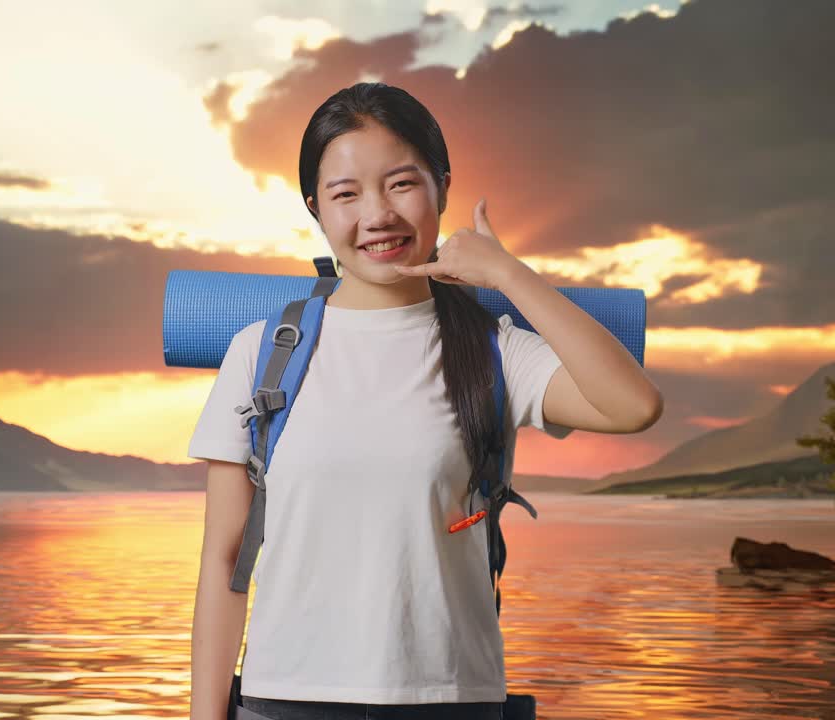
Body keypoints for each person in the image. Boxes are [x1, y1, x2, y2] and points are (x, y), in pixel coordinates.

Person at [187, 82, 579, 720]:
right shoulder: (262, 353)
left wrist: (510, 275)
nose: (378, 215)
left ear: (442, 187)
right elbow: (225, 561)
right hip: (287, 697)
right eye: (346, 194)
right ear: (316, 208)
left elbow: (632, 406)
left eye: (401, 183)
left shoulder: (495, 349)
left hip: (452, 698)